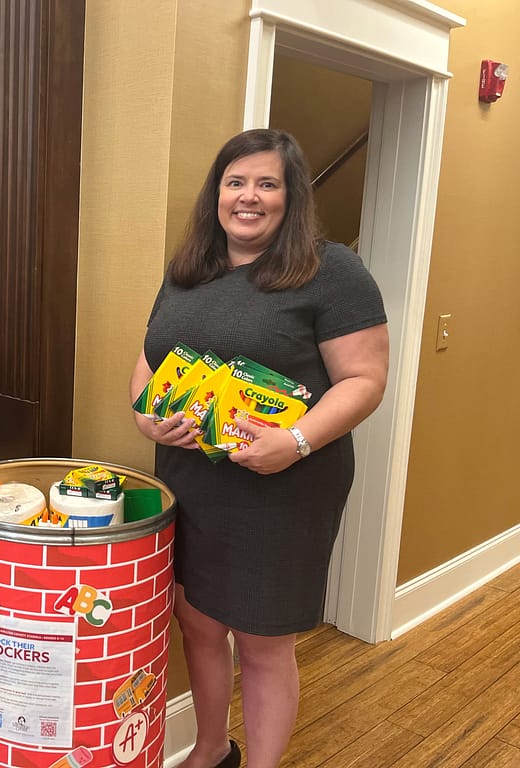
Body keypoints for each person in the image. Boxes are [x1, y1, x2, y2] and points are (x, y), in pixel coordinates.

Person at [129, 129, 388, 768]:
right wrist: (147, 420)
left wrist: (293, 442)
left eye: (267, 183)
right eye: (235, 182)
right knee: (197, 623)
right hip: (190, 482)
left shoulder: (332, 271)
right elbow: (148, 361)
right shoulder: (187, 271)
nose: (249, 197)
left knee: (263, 641)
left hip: (283, 489)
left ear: (290, 195)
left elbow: (365, 380)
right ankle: (212, 749)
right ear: (216, 193)